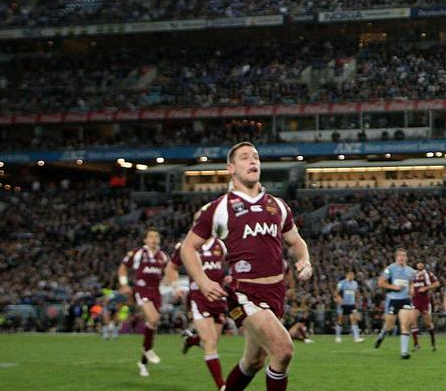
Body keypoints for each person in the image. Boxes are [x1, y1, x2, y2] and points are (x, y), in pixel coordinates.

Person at [181, 142, 313, 391]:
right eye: (244, 157)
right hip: (244, 294)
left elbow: (296, 241)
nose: (253, 161)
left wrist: (304, 259)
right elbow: (188, 248)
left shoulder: (278, 205)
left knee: (253, 361)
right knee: (283, 351)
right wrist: (203, 281)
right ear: (231, 168)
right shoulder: (219, 208)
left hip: (276, 294)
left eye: (255, 157)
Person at [166, 232, 229, 389]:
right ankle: (221, 386)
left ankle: (190, 340)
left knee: (213, 341)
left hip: (219, 297)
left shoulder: (220, 245)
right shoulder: (185, 246)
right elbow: (171, 268)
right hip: (199, 297)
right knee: (210, 343)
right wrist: (177, 287)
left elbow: (231, 264)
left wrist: (230, 276)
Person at [118, 229, 169, 377]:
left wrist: (172, 283)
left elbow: (169, 272)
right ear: (145, 240)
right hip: (141, 289)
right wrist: (124, 284)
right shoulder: (138, 253)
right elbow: (123, 268)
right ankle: (147, 350)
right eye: (151, 236)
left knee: (152, 324)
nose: (154, 239)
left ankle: (143, 362)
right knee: (153, 319)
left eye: (156, 236)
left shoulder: (163, 256)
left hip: (156, 292)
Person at [374, 250, 416, 358]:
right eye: (399, 255)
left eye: (404, 256)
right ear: (396, 257)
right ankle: (382, 334)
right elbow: (380, 282)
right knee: (390, 326)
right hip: (393, 299)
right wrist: (394, 287)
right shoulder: (390, 269)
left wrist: (411, 289)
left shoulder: (411, 271)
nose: (401, 257)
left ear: (406, 258)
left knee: (406, 324)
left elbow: (411, 282)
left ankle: (404, 352)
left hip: (405, 299)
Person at [411, 261, 439, 351]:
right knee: (413, 320)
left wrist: (426, 288)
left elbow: (437, 284)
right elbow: (410, 284)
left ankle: (433, 342)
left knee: (428, 323)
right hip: (415, 300)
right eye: (418, 263)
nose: (420, 265)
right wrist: (410, 290)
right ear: (416, 265)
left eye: (422, 263)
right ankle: (416, 344)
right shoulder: (412, 274)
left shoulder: (428, 274)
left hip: (425, 300)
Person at [335, 271, 363, 343]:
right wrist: (339, 299)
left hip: (351, 304)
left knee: (354, 319)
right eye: (350, 275)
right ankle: (338, 337)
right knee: (340, 320)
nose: (352, 276)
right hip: (343, 304)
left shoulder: (355, 283)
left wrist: (357, 301)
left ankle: (356, 338)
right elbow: (336, 293)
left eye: (353, 275)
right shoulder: (341, 283)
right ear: (347, 275)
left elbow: (356, 293)